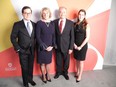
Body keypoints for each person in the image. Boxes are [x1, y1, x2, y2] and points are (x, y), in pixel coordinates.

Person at [10, 6, 36, 87]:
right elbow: (13, 37)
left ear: (31, 14)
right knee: (24, 68)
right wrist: (18, 49)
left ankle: (30, 79)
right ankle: (25, 84)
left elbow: (35, 37)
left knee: (30, 66)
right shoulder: (17, 24)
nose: (27, 14)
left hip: (32, 50)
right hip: (22, 51)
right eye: (25, 13)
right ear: (22, 14)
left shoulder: (34, 24)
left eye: (29, 13)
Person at [36, 7, 56, 83]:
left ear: (49, 14)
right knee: (42, 63)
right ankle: (43, 75)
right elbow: (37, 36)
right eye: (44, 13)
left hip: (50, 47)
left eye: (47, 13)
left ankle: (48, 74)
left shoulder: (52, 23)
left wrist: (52, 46)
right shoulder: (39, 23)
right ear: (42, 14)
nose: (45, 14)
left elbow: (54, 36)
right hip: (41, 47)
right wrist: (44, 46)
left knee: (48, 63)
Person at [53, 7, 74, 80]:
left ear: (66, 13)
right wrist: (54, 44)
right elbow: (54, 34)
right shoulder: (54, 22)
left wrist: (71, 48)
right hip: (57, 46)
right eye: (60, 12)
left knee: (66, 61)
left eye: (64, 12)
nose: (62, 13)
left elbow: (72, 36)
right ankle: (58, 72)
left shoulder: (70, 23)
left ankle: (65, 73)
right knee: (58, 60)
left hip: (67, 46)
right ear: (59, 13)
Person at [73, 9, 90, 82]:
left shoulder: (87, 25)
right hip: (75, 46)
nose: (80, 16)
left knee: (81, 61)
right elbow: (72, 36)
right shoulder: (75, 24)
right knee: (77, 60)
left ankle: (79, 76)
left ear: (85, 16)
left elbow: (87, 37)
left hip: (82, 46)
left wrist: (80, 46)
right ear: (78, 15)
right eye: (79, 14)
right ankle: (77, 72)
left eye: (82, 14)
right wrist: (74, 45)